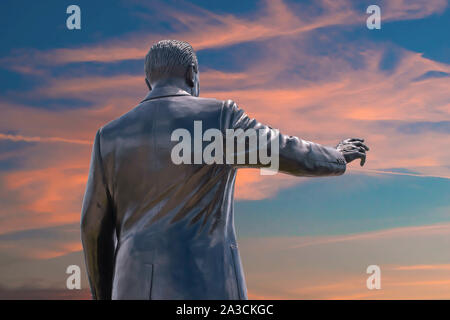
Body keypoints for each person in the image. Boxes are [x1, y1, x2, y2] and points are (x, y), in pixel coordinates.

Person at [81, 40, 369, 300]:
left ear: (148, 82)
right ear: (192, 74)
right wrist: (337, 156)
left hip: (131, 287)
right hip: (206, 285)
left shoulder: (108, 136)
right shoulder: (217, 118)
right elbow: (284, 152)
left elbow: (93, 228)